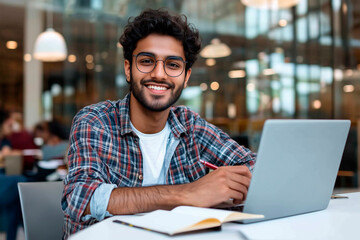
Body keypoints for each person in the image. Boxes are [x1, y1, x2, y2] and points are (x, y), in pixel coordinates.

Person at [62, 9, 256, 239]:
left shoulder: (191, 126)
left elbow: (254, 170)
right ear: (128, 68)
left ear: (185, 76)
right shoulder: (95, 121)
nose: (159, 74)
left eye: (173, 65)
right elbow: (80, 197)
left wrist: (225, 188)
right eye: (146, 61)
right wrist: (188, 194)